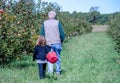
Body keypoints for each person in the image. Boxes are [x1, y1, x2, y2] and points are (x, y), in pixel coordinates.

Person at [40, 11, 65, 75]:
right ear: (55, 16)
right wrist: (61, 40)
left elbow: (42, 34)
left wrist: (42, 43)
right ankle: (58, 71)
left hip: (48, 43)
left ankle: (50, 72)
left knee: (49, 57)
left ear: (48, 16)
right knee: (57, 57)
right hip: (57, 42)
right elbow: (62, 33)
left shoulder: (44, 23)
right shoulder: (57, 22)